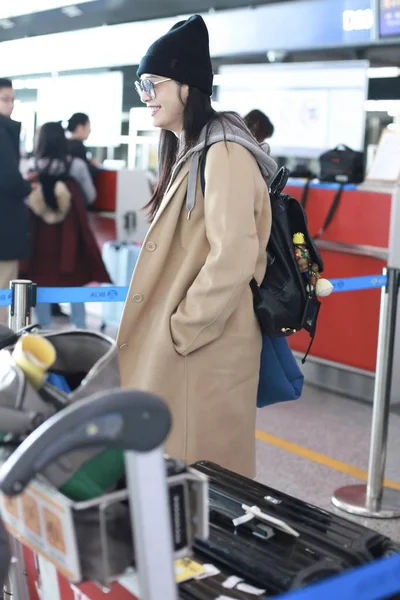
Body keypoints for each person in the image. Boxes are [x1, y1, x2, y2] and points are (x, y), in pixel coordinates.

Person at [117, 15, 277, 478]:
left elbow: (234, 255)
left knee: (204, 482)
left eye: (152, 83)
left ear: (187, 86)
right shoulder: (194, 148)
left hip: (202, 348)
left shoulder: (223, 151)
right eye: (140, 85)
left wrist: (181, 330)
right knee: (182, 478)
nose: (145, 96)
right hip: (193, 348)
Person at [21, 122, 110, 328]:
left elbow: (25, 199)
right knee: (74, 277)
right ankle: (80, 328)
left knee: (40, 277)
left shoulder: (30, 166)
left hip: (39, 234)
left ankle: (42, 327)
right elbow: (90, 195)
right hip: (71, 234)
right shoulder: (75, 166)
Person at [0, 78, 31, 323]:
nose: (10, 105)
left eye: (12, 99)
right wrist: (26, 186)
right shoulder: (3, 132)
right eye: (5, 99)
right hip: (4, 232)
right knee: (3, 300)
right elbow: (9, 181)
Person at [66, 112, 99, 184]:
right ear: (80, 127)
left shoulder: (64, 143)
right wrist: (94, 166)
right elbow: (85, 173)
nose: (90, 131)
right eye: (88, 126)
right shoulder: (78, 146)